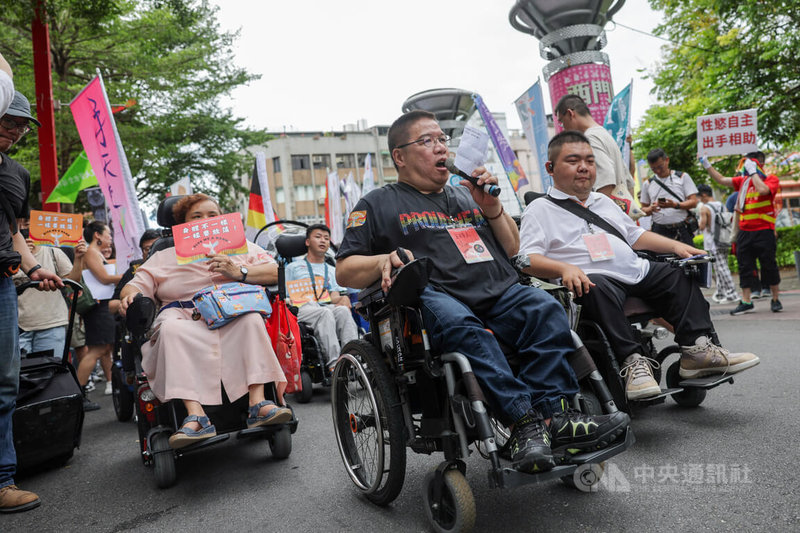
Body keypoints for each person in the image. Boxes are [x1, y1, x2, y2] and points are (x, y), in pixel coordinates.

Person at [335, 111, 629, 474]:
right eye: (427, 141)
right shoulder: (377, 203)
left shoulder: (466, 195)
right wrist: (387, 258)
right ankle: (524, 423)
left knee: (545, 306)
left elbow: (511, 248)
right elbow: (345, 270)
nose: (440, 147)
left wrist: (492, 208)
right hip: (436, 297)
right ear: (400, 156)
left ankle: (556, 418)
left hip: (498, 292)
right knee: (460, 322)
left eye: (443, 139)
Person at [518, 131, 759, 402]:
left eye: (589, 160)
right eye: (573, 161)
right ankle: (633, 362)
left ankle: (696, 352)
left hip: (635, 270)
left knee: (679, 271)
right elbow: (526, 259)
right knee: (595, 282)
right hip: (593, 281)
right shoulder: (539, 209)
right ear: (550, 168)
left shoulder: (603, 202)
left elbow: (635, 236)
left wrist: (676, 247)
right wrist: (563, 269)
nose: (584, 167)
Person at [119, 194, 290, 449]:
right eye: (196, 217)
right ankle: (196, 416)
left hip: (233, 312)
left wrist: (238, 271)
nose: (205, 221)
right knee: (170, 330)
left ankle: (259, 403)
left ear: (222, 220)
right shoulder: (163, 256)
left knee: (251, 319)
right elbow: (134, 286)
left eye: (212, 216)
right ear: (182, 225)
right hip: (183, 317)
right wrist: (131, 296)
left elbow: (272, 271)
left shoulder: (240, 247)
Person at [0, 84, 63, 513]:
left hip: (2, 283)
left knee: (4, 384)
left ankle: (2, 480)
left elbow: (14, 231)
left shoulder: (17, 174)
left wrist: (33, 268)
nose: (18, 130)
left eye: (23, 125)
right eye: (10, 121)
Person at [700, 152, 782, 314]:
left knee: (769, 265)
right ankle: (746, 301)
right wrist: (706, 164)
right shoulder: (743, 181)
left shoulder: (770, 179)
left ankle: (775, 298)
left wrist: (753, 173)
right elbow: (722, 180)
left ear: (760, 164)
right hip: (744, 232)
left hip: (764, 230)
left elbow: (763, 190)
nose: (746, 166)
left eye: (750, 163)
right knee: (745, 266)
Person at [285, 224, 358, 372]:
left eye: (326, 238)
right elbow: (286, 297)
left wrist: (343, 300)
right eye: (318, 237)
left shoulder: (332, 270)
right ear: (307, 242)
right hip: (302, 308)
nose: (323, 241)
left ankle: (353, 360)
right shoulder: (292, 268)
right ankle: (335, 365)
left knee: (343, 311)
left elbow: (334, 296)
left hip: (325, 305)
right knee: (325, 313)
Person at [14, 219, 87, 357]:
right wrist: (22, 258)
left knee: (50, 373)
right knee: (19, 375)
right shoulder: (8, 256)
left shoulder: (53, 252)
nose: (22, 229)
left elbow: (72, 282)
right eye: (18, 225)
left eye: (27, 224)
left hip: (52, 324)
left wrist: (78, 258)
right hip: (18, 327)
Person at [75, 221, 122, 409]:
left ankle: (81, 393)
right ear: (97, 235)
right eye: (108, 234)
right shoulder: (91, 252)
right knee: (96, 351)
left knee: (104, 349)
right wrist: (129, 274)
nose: (110, 238)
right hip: (98, 306)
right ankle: (79, 394)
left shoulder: (94, 252)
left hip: (102, 305)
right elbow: (103, 278)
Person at [554, 94, 635, 199]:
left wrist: (602, 214)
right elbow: (629, 183)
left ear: (570, 114)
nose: (563, 127)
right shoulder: (605, 135)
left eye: (561, 122)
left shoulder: (590, 139)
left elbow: (605, 182)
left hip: (608, 213)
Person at [639, 148, 699, 245]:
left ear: (667, 160)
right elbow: (643, 210)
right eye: (653, 169)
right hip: (659, 230)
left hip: (681, 228)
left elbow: (694, 202)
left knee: (687, 258)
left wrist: (675, 205)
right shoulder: (648, 183)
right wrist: (651, 208)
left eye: (660, 167)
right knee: (661, 259)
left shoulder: (682, 177)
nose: (658, 171)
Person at [696, 184, 739, 303]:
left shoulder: (704, 208)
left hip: (713, 242)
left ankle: (732, 293)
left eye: (699, 196)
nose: (699, 199)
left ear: (704, 194)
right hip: (724, 239)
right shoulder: (721, 205)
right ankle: (721, 293)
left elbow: (702, 225)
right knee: (720, 266)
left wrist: (696, 222)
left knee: (721, 268)